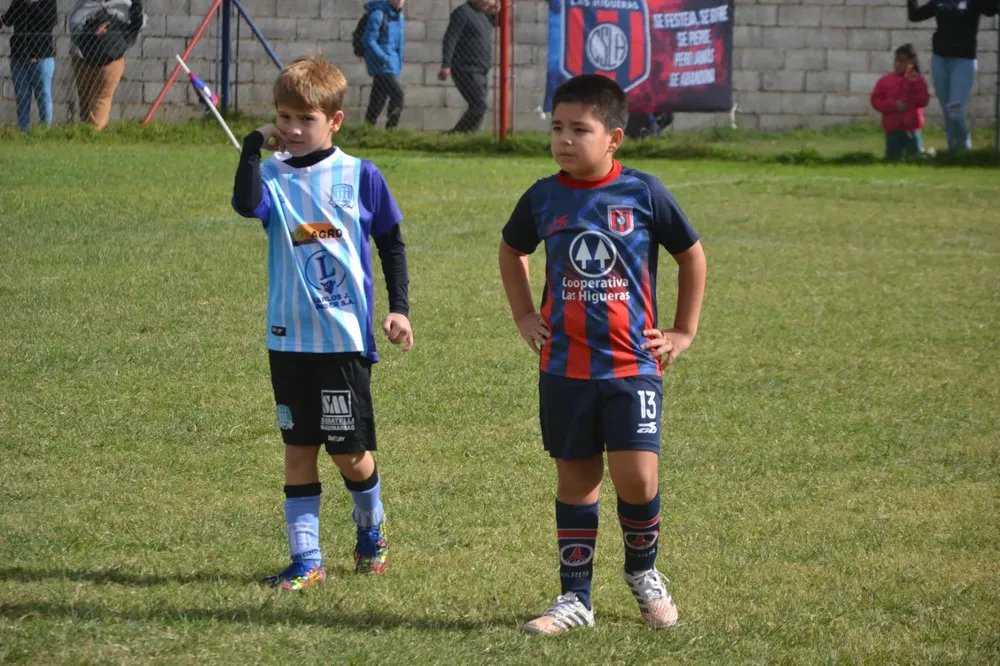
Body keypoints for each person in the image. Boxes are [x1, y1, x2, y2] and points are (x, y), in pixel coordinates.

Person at [498, 74, 707, 634]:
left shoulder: (642, 193)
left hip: (632, 364)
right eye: (557, 128)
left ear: (613, 138)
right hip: (565, 366)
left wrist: (682, 331)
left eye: (579, 129)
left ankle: (643, 573)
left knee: (637, 478)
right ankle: (575, 599)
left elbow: (691, 255)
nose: (564, 140)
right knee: (576, 480)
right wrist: (523, 313)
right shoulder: (544, 196)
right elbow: (512, 249)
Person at [231, 55, 414, 590]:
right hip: (287, 338)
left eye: (305, 119)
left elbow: (392, 245)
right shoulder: (270, 175)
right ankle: (307, 561)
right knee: (298, 449)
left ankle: (371, 528)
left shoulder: (361, 176)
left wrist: (398, 308)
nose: (291, 129)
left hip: (342, 340)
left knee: (350, 454)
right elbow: (246, 206)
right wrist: (250, 146)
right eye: (284, 116)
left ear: (334, 121)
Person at [907, 0, 999, 151]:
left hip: (963, 62)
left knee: (955, 111)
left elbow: (991, 10)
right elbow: (915, 16)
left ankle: (964, 148)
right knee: (947, 112)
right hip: (940, 61)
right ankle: (952, 150)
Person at [68, 0, 145, 130]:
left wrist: (113, 31)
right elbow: (74, 24)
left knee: (100, 99)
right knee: (85, 100)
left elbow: (137, 26)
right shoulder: (86, 4)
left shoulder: (126, 4)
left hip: (110, 59)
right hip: (82, 57)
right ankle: (86, 134)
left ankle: (95, 135)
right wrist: (93, 32)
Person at [438, 0, 496, 133]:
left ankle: (467, 136)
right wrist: (446, 64)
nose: (489, 3)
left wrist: (497, 10)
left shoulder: (484, 15)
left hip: (482, 69)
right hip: (465, 68)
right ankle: (455, 136)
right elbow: (450, 38)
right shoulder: (463, 12)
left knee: (478, 108)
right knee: (479, 105)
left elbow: (504, 23)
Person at [1, 0, 57, 132]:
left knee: (43, 95)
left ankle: (45, 131)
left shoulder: (48, 2)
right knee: (22, 96)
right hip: (19, 57)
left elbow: (49, 22)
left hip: (42, 58)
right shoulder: (19, 2)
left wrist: (32, 4)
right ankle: (23, 131)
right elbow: (8, 20)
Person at [871, 44, 931, 161]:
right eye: (896, 61)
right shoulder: (885, 81)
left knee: (914, 159)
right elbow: (876, 101)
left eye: (902, 61)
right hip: (893, 130)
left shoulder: (917, 80)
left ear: (911, 61)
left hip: (911, 130)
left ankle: (927, 154)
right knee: (892, 159)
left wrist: (912, 84)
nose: (897, 64)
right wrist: (894, 105)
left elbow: (924, 100)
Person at [362, 0, 405, 129]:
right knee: (398, 95)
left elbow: (399, 42)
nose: (400, 1)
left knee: (378, 99)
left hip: (392, 63)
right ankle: (391, 130)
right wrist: (384, 58)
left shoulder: (399, 16)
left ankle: (366, 129)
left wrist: (398, 59)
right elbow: (369, 40)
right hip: (381, 64)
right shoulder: (378, 14)